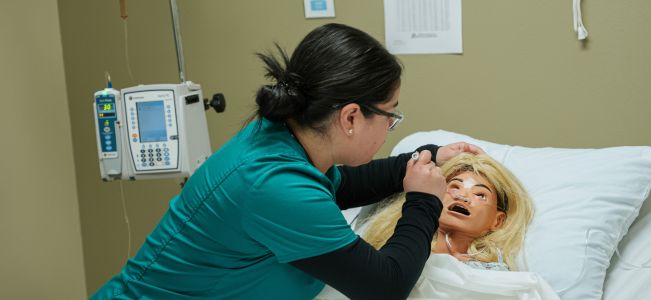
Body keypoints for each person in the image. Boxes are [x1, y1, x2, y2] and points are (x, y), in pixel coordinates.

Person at [92, 23, 484, 299]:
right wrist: (424, 201)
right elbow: (385, 286)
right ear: (350, 117)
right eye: (390, 115)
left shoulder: (283, 134)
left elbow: (339, 185)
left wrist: (420, 162)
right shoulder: (272, 184)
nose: (391, 127)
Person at [360, 153, 534, 271]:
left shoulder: (495, 275)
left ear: (498, 221)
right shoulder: (398, 255)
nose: (463, 197)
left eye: (480, 195)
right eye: (454, 187)